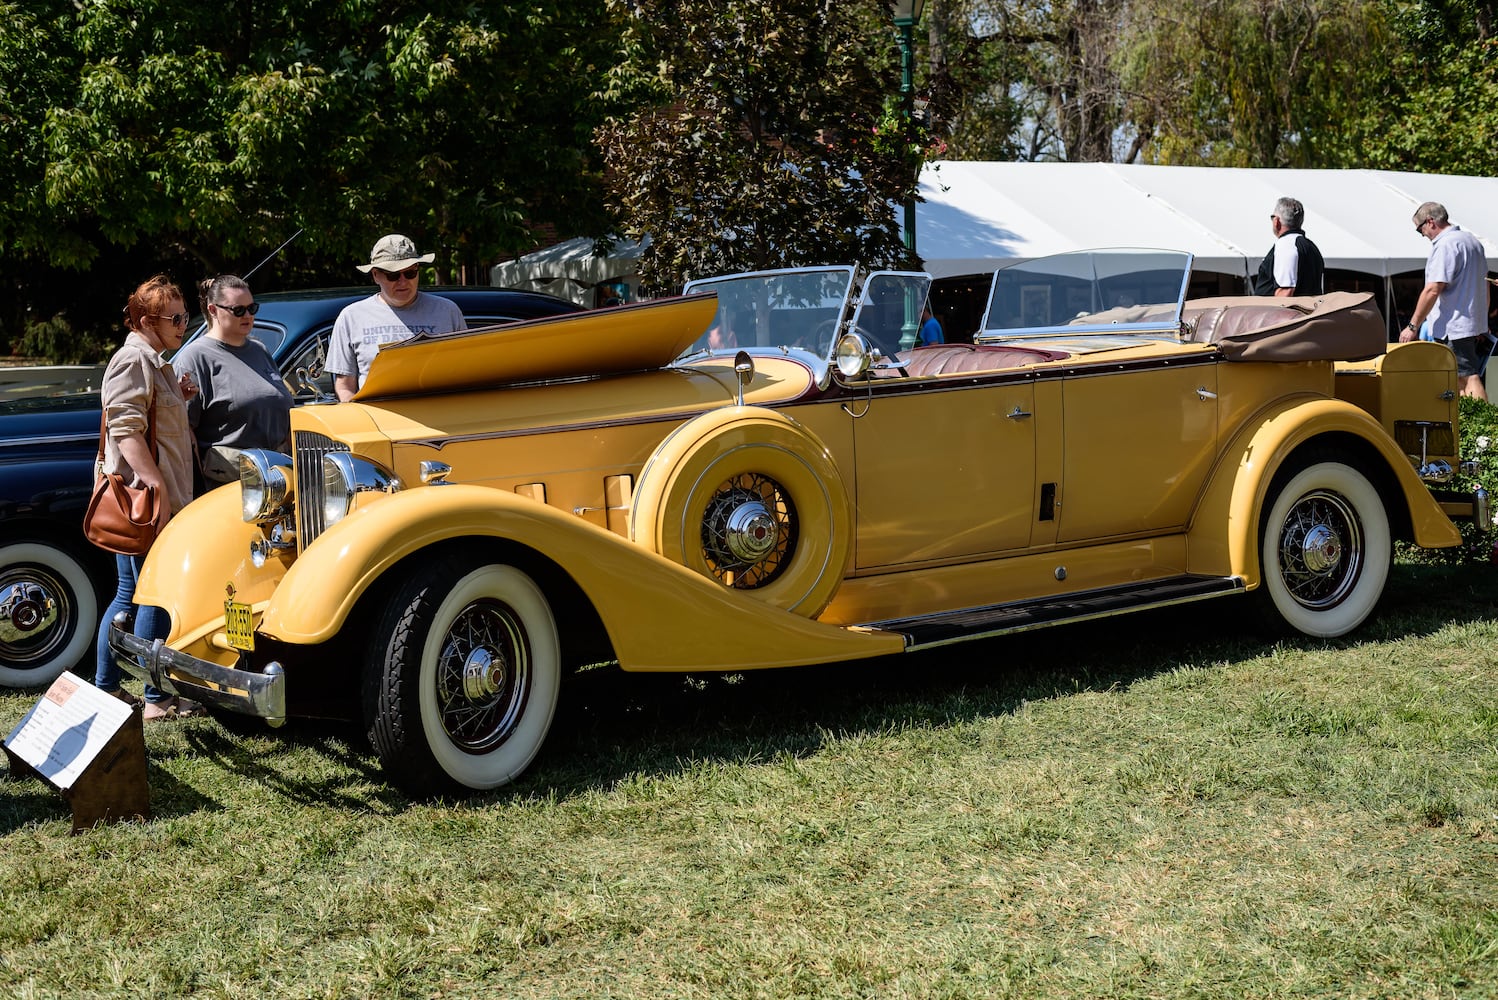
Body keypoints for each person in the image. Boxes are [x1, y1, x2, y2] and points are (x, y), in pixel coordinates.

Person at [93, 274, 205, 721]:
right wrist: (154, 483)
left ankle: (107, 688)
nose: (183, 324)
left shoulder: (153, 361)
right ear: (144, 320)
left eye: (185, 316)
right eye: (173, 318)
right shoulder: (132, 360)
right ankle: (155, 699)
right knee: (150, 595)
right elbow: (124, 428)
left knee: (130, 593)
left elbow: (146, 417)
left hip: (153, 496)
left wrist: (176, 396)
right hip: (146, 501)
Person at [174, 274, 293, 488]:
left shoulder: (259, 349)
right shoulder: (194, 357)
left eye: (252, 308)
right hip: (229, 483)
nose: (247, 315)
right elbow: (182, 430)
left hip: (277, 477)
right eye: (238, 310)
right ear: (213, 310)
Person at [326, 234, 467, 400]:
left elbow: (464, 373)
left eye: (410, 273)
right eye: (393, 275)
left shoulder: (447, 311)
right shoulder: (350, 317)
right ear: (375, 275)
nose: (402, 281)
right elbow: (344, 386)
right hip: (379, 422)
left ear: (418, 270)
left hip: (438, 421)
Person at [1400, 202, 1491, 400]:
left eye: (1419, 229)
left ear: (1430, 222)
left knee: (1467, 378)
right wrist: (1482, 322)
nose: (1422, 234)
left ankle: (1486, 426)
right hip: (1469, 322)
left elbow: (1433, 289)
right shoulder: (1472, 241)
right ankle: (1472, 425)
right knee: (1459, 379)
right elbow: (1485, 284)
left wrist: (1412, 325)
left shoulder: (1446, 245)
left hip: (1455, 324)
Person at [1253, 196, 1325, 297]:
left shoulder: (1286, 245)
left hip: (1282, 312)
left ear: (1276, 221)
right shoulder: (1311, 246)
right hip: (1310, 311)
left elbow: (1285, 292)